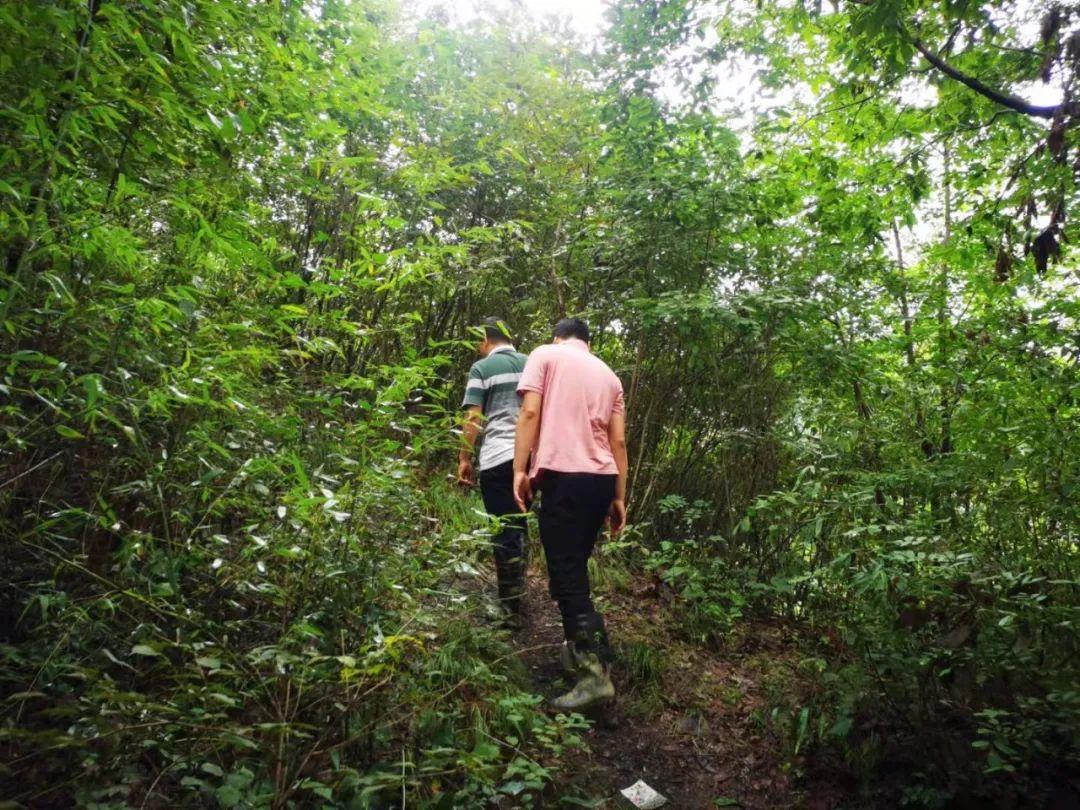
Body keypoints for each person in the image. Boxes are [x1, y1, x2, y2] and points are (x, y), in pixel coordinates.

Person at [512, 317, 628, 711]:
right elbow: (619, 441)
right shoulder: (610, 376)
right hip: (600, 482)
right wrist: (618, 497)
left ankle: (595, 676)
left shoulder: (544, 355)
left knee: (567, 576)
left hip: (565, 477)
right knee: (573, 569)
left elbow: (529, 413)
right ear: (589, 343)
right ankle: (576, 656)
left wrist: (519, 469)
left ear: (557, 336)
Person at [458, 317, 530, 623]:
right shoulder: (533, 363)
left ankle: (510, 609)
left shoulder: (482, 368)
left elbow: (474, 418)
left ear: (486, 340)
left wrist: (464, 457)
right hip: (531, 460)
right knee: (519, 525)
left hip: (498, 457)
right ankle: (515, 596)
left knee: (504, 530)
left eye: (478, 342)